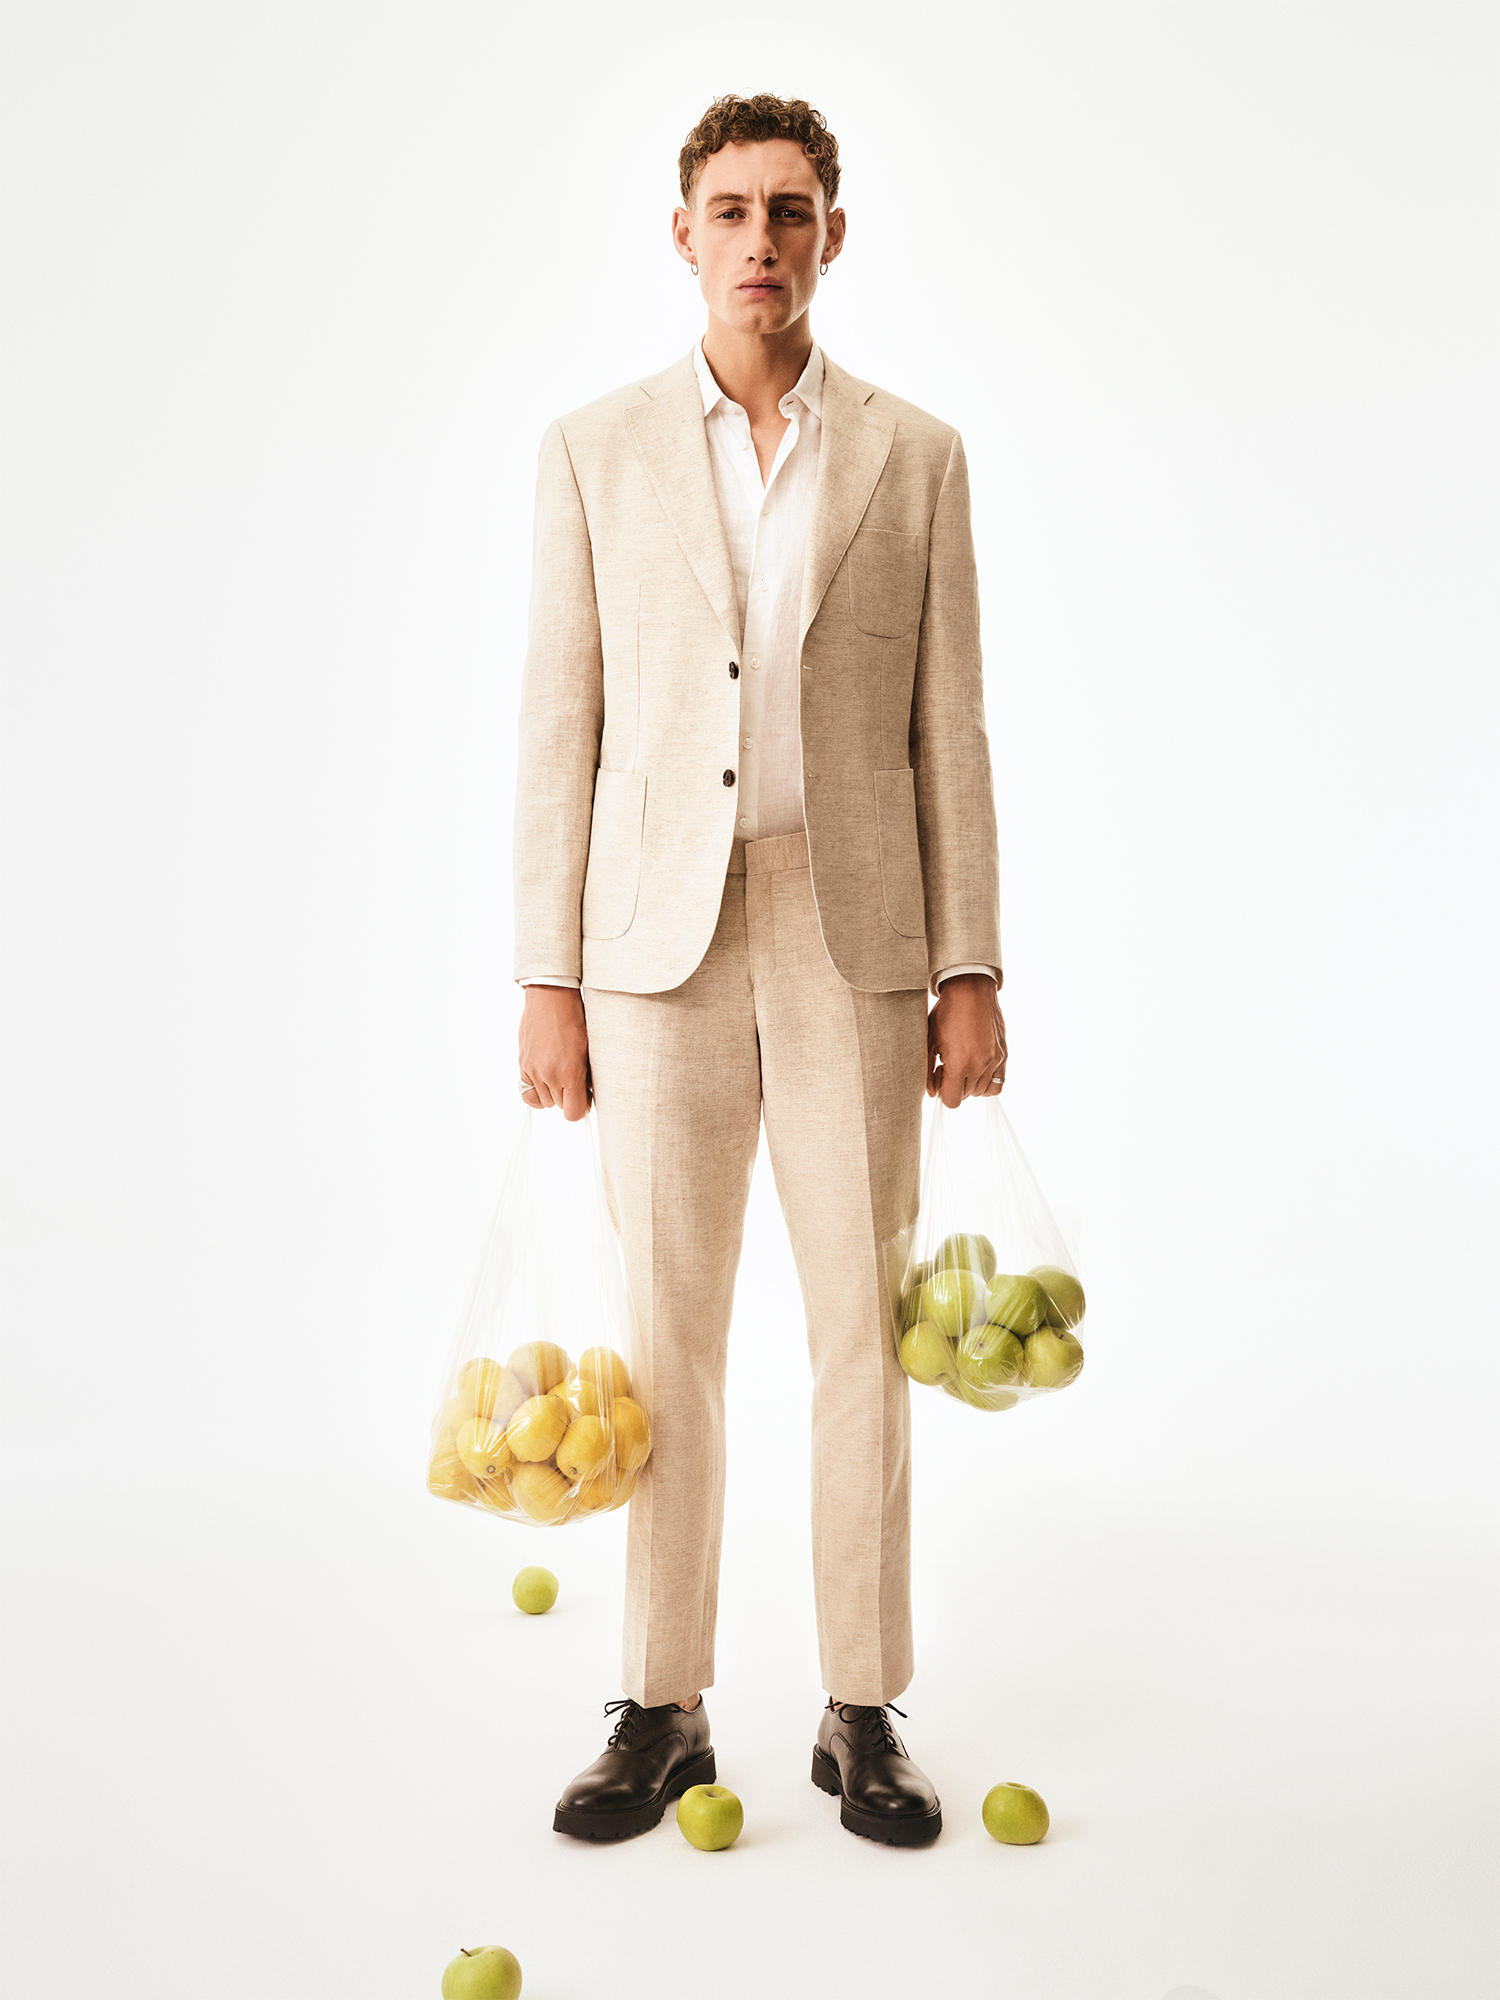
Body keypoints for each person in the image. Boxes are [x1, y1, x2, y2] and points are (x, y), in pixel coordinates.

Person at [512, 93, 1005, 1848]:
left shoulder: (918, 455)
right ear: (684, 234)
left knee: (863, 1327)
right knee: (671, 1336)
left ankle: (862, 1708)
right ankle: (663, 1706)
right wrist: (545, 972)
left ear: (832, 235)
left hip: (853, 927)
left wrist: (971, 963)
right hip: (651, 948)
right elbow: (558, 720)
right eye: (731, 210)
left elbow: (950, 725)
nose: (761, 241)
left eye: (791, 210)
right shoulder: (594, 451)